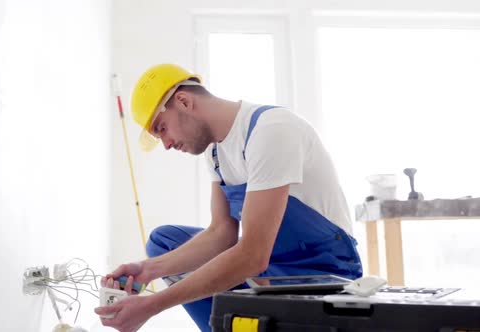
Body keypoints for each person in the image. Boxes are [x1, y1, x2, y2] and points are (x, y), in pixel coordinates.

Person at [94, 64, 362, 332]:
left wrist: (152, 305)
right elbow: (221, 234)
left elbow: (253, 255)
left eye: (162, 128)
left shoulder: (272, 130)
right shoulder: (216, 154)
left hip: (319, 273)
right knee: (163, 242)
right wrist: (147, 270)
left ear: (184, 101)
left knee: (246, 260)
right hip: (270, 272)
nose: (166, 144)